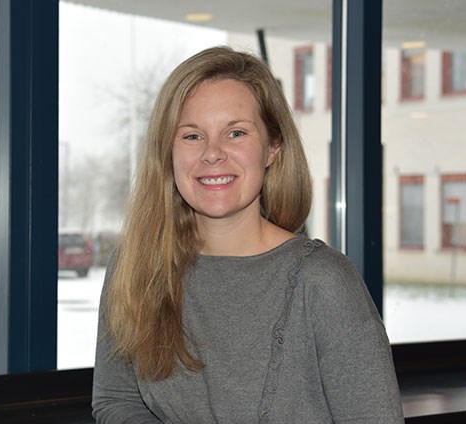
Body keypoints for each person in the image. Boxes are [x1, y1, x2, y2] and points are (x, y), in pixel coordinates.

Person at [92, 46, 404, 423]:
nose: (212, 154)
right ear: (167, 152)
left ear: (273, 147)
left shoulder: (324, 282)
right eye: (192, 136)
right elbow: (116, 400)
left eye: (235, 133)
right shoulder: (136, 268)